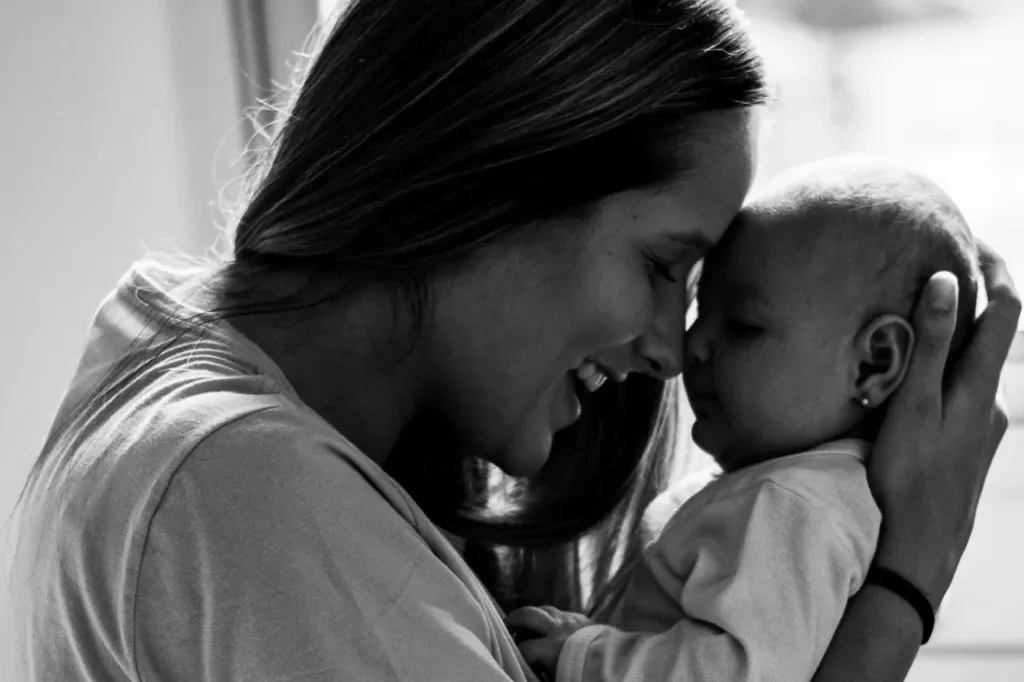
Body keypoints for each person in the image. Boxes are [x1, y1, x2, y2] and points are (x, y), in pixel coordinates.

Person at [3, 1, 1017, 680]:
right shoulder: (251, 494)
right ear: (495, 180)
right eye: (662, 266)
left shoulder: (164, 366)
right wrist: (906, 578)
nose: (673, 352)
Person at [504, 155, 983, 681]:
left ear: (874, 362)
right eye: (701, 312)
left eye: (742, 325)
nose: (692, 345)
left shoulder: (794, 506)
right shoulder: (793, 492)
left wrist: (583, 653)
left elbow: (736, 675)